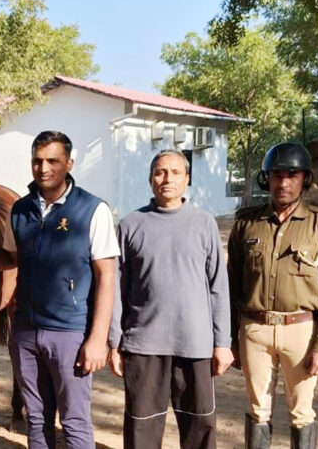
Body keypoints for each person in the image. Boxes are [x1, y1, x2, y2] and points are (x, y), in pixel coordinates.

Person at [0, 130, 119, 448]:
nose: (43, 168)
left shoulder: (93, 210)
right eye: (37, 161)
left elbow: (107, 277)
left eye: (53, 160)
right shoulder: (21, 210)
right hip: (25, 331)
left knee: (75, 422)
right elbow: (10, 257)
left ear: (69, 163)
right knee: (36, 420)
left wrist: (97, 339)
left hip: (71, 334)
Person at [108, 150, 233, 449]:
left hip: (195, 345)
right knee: (141, 431)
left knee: (200, 429)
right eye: (161, 172)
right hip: (144, 345)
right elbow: (116, 289)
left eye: (176, 172)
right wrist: (114, 343)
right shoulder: (130, 225)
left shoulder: (204, 223)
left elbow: (219, 286)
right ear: (151, 178)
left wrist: (222, 343)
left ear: (187, 179)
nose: (168, 179)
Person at [228, 142, 318, 449]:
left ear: (304, 179)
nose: (284, 182)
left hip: (301, 332)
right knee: (257, 410)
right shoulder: (246, 223)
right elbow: (232, 284)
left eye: (292, 175)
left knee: (301, 412)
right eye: (277, 175)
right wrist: (230, 338)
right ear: (266, 179)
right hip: (255, 330)